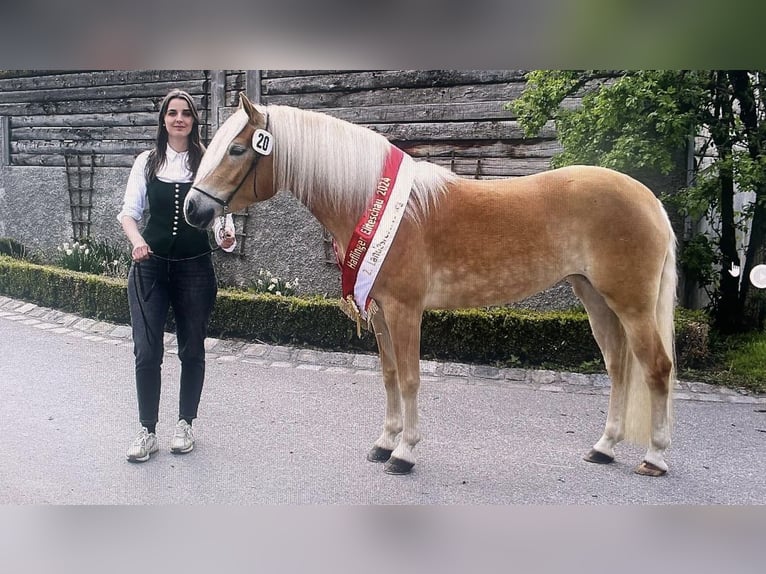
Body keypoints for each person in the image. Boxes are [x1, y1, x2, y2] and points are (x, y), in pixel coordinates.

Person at [118, 89, 236, 462]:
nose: (179, 119)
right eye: (172, 113)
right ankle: (146, 430)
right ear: (163, 120)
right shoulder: (147, 162)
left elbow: (221, 216)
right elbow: (128, 213)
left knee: (191, 348)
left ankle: (185, 423)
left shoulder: (207, 162)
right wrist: (137, 242)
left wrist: (225, 235)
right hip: (150, 266)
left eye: (185, 113)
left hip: (195, 267)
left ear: (193, 120)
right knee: (147, 349)